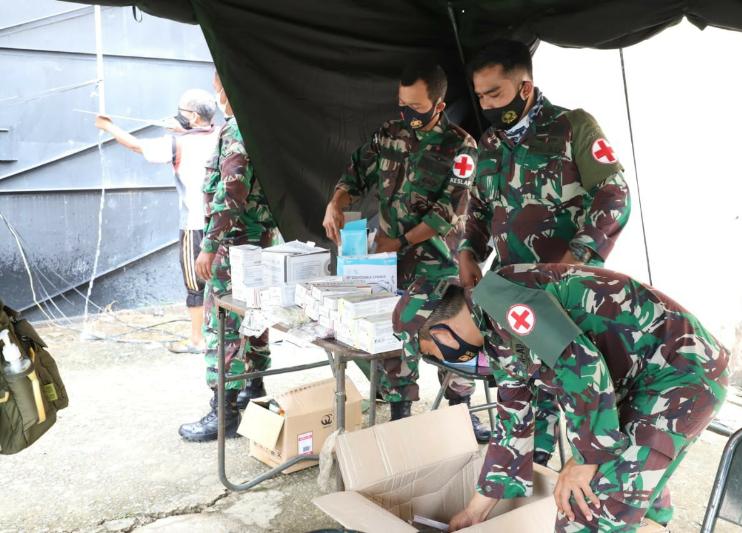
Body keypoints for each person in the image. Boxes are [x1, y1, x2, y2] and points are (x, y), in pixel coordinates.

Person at [393, 264, 729, 532]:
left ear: (439, 333)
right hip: (645, 379)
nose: (443, 360)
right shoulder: (491, 323)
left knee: (584, 510)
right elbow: (513, 424)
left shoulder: (508, 307)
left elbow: (584, 369)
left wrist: (584, 459)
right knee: (622, 489)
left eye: (431, 353)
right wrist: (474, 512)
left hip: (680, 374)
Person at [458, 39, 632, 464]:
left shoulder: (571, 126)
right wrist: (468, 251)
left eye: (495, 93)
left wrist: (575, 262)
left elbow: (614, 195)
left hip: (566, 293)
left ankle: (575, 478)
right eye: (480, 97)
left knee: (570, 390)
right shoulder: (490, 143)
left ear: (525, 87)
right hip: (509, 289)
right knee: (517, 388)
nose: (487, 105)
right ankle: (527, 479)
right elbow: (480, 206)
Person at [322, 59, 491, 441]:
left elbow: (449, 212)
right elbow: (355, 172)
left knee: (449, 334)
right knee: (391, 335)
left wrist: (398, 242)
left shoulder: (461, 147)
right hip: (387, 262)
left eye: (416, 107)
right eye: (403, 104)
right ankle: (401, 415)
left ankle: (460, 413)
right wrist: (337, 199)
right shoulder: (389, 134)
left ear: (439, 105)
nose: (407, 114)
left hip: (438, 264)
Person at [178, 73, 280, 442]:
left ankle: (223, 414)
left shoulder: (237, 129)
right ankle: (254, 393)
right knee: (254, 316)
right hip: (260, 242)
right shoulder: (265, 125)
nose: (218, 93)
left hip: (233, 246)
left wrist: (209, 244)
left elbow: (233, 191)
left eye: (220, 85)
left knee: (222, 323)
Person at [95, 89, 219, 354]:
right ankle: (220, 336)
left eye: (183, 112)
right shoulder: (221, 134)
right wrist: (182, 129)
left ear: (194, 117)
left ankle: (197, 340)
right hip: (222, 223)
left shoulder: (177, 143)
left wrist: (108, 127)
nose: (178, 115)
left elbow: (136, 146)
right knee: (221, 281)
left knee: (195, 282)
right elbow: (201, 134)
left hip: (195, 224)